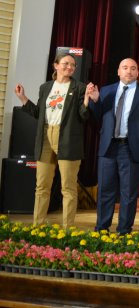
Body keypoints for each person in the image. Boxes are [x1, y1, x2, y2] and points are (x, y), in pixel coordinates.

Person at [87, 58, 139, 235]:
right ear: (118, 71)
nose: (129, 71)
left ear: (137, 72)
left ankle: (124, 231)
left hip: (131, 148)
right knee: (105, 191)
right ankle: (102, 229)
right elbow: (96, 117)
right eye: (125, 68)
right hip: (108, 147)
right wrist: (96, 101)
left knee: (128, 193)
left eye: (133, 68)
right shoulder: (106, 90)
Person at [14, 53, 90, 229]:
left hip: (68, 139)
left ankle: (68, 230)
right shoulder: (45, 87)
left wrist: (86, 100)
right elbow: (38, 113)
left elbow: (84, 116)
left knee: (68, 188)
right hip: (46, 137)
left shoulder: (79, 87)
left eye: (73, 65)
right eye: (66, 63)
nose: (70, 67)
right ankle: (37, 227)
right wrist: (23, 98)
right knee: (42, 186)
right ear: (56, 65)